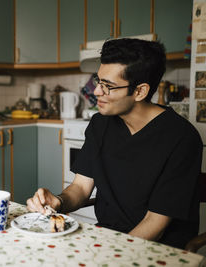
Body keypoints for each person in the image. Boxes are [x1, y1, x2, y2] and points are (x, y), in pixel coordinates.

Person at [27, 38, 203, 249]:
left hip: (159, 248)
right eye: (98, 81)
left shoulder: (181, 138)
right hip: (108, 238)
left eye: (108, 86)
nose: (96, 92)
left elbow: (155, 224)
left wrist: (113, 256)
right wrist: (58, 201)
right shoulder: (100, 124)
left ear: (140, 91)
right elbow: (81, 188)